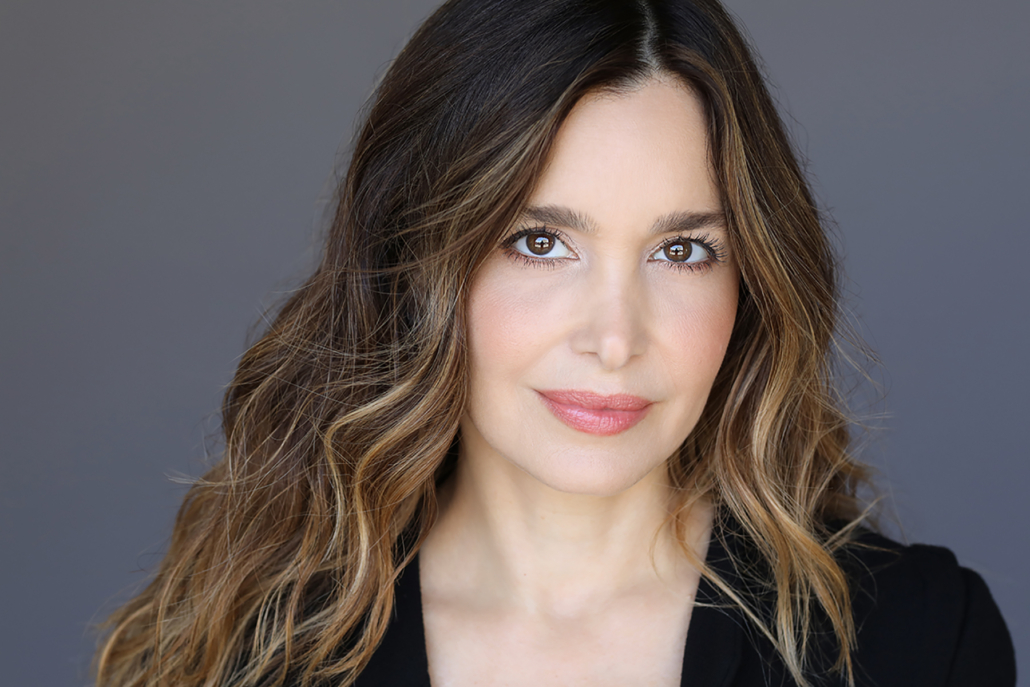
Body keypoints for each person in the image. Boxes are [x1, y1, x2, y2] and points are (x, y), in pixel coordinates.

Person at [92, 1, 1016, 685]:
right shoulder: (259, 654)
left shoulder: (919, 643)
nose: (614, 339)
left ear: (751, 283)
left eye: (682, 251)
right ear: (417, 257)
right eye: (540, 242)